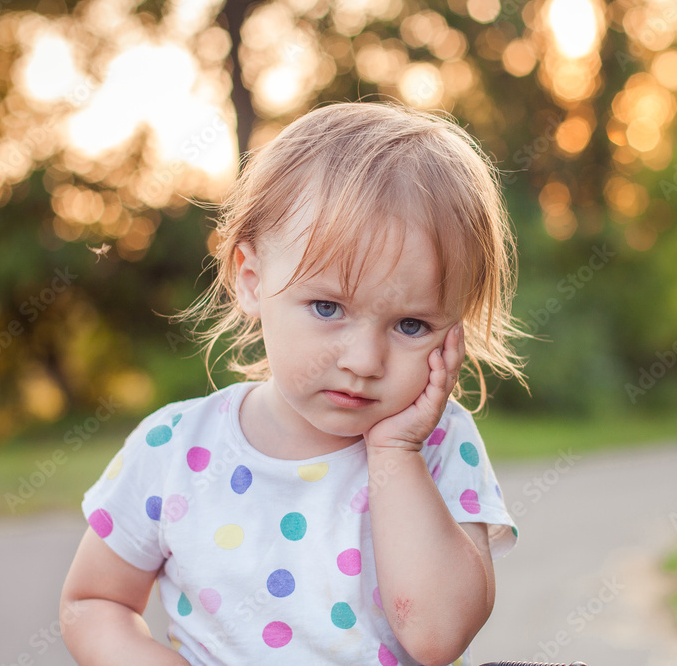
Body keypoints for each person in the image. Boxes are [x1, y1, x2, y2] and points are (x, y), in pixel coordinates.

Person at [60, 101, 527, 666]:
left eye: (411, 325)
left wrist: (395, 454)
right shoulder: (175, 450)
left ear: (454, 329)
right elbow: (94, 602)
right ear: (251, 280)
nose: (364, 361)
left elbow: (437, 638)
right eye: (328, 308)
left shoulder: (438, 445)